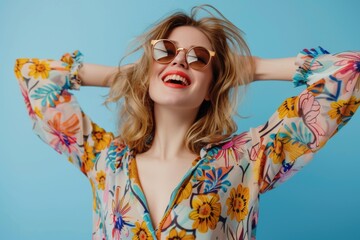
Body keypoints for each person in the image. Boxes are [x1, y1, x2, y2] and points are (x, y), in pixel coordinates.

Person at [14, 5, 360, 240]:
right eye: (165, 51)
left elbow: (347, 72)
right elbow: (35, 76)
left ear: (212, 87)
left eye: (198, 58)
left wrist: (251, 68)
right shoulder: (105, 159)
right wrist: (134, 76)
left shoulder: (248, 160)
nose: (180, 60)